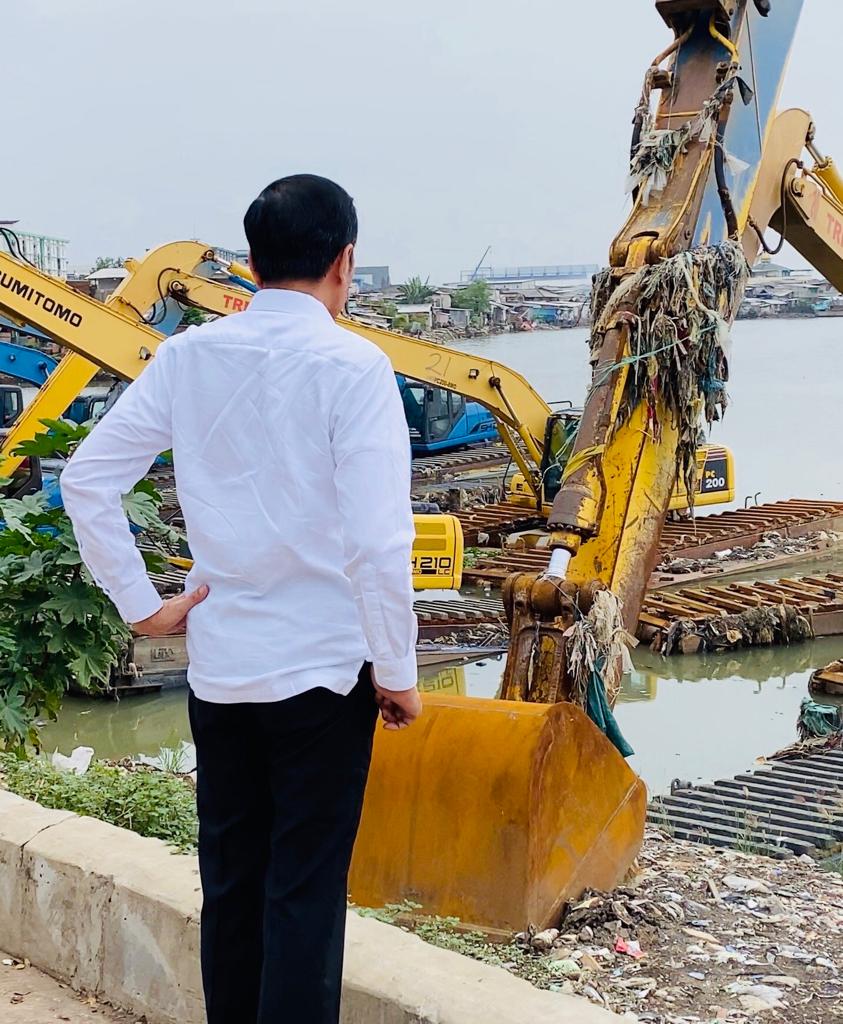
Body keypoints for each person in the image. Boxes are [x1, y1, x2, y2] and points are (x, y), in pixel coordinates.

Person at [61, 174, 423, 1024]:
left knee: (230, 885)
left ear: (251, 264)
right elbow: (378, 542)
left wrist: (142, 606)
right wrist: (397, 671)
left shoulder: (187, 358)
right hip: (324, 676)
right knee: (303, 894)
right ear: (344, 263)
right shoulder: (354, 366)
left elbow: (87, 479)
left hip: (222, 673)